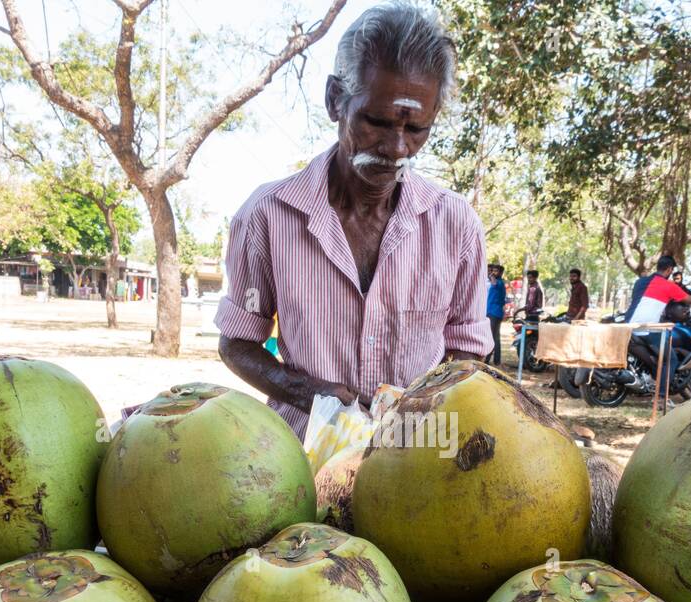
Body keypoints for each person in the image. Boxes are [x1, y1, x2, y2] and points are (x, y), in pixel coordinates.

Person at [214, 3, 492, 438]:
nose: (396, 147)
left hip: (418, 457)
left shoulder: (456, 226)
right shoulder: (267, 216)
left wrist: (419, 412)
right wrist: (314, 395)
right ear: (334, 100)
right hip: (304, 454)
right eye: (376, 122)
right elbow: (237, 343)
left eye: (416, 129)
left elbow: (468, 355)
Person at [626, 255, 691, 402]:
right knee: (670, 359)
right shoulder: (668, 286)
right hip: (646, 328)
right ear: (670, 269)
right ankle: (661, 397)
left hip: (627, 327)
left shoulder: (640, 282)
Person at [486, 263, 507, 365]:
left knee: (491, 336)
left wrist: (490, 276)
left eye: (496, 271)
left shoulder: (499, 283)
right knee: (495, 337)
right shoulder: (498, 282)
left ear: (501, 273)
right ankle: (496, 360)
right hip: (494, 312)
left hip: (494, 313)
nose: (493, 273)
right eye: (493, 270)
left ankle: (487, 359)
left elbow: (494, 283)